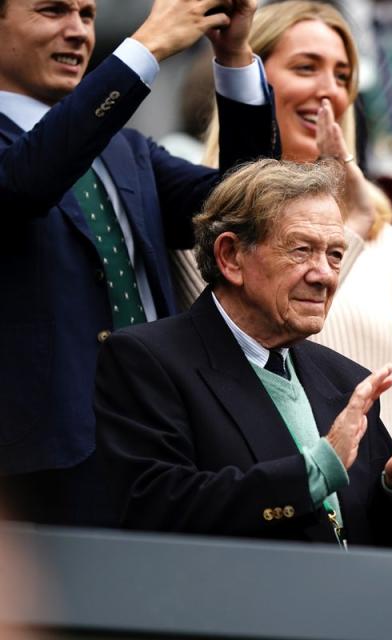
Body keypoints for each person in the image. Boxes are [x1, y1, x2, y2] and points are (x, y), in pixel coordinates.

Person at [0, 0, 279, 525]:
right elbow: (28, 181)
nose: (79, 32)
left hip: (166, 447)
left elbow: (247, 207)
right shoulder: (46, 149)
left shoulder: (124, 148)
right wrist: (147, 46)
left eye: (86, 15)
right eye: (53, 11)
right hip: (39, 475)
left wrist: (236, 56)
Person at [95, 159, 392, 546]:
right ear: (231, 257)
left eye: (335, 255)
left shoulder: (347, 380)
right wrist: (317, 469)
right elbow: (158, 511)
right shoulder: (146, 360)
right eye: (302, 250)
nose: (323, 274)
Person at [173, 0, 392, 442]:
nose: (328, 89)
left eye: (342, 76)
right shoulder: (203, 215)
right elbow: (248, 343)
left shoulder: (377, 232)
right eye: (305, 67)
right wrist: (346, 230)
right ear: (252, 79)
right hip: (274, 493)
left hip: (381, 499)